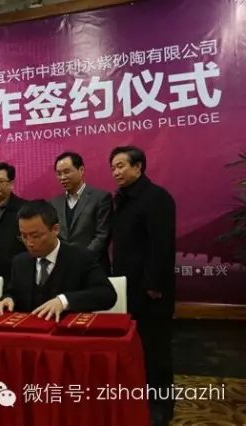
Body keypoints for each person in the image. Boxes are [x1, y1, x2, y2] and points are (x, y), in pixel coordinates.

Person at [109, 145, 176, 426]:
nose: (116, 172)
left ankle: (161, 407)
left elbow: (161, 246)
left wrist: (153, 285)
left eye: (121, 165)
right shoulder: (122, 199)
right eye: (113, 167)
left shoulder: (157, 197)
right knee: (135, 348)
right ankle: (139, 401)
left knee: (155, 350)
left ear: (138, 167)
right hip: (127, 288)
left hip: (151, 290)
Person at [0, 200, 116, 321]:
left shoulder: (80, 258)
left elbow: (107, 294)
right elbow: (12, 292)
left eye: (36, 236)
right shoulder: (20, 262)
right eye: (24, 236)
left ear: (55, 229)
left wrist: (64, 301)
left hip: (67, 329)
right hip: (29, 328)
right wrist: (7, 299)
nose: (29, 243)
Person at [50, 152, 113, 273]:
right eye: (59, 174)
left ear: (81, 170)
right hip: (64, 269)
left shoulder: (100, 198)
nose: (62, 177)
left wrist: (81, 260)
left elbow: (102, 235)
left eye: (67, 172)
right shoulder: (54, 203)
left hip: (94, 267)